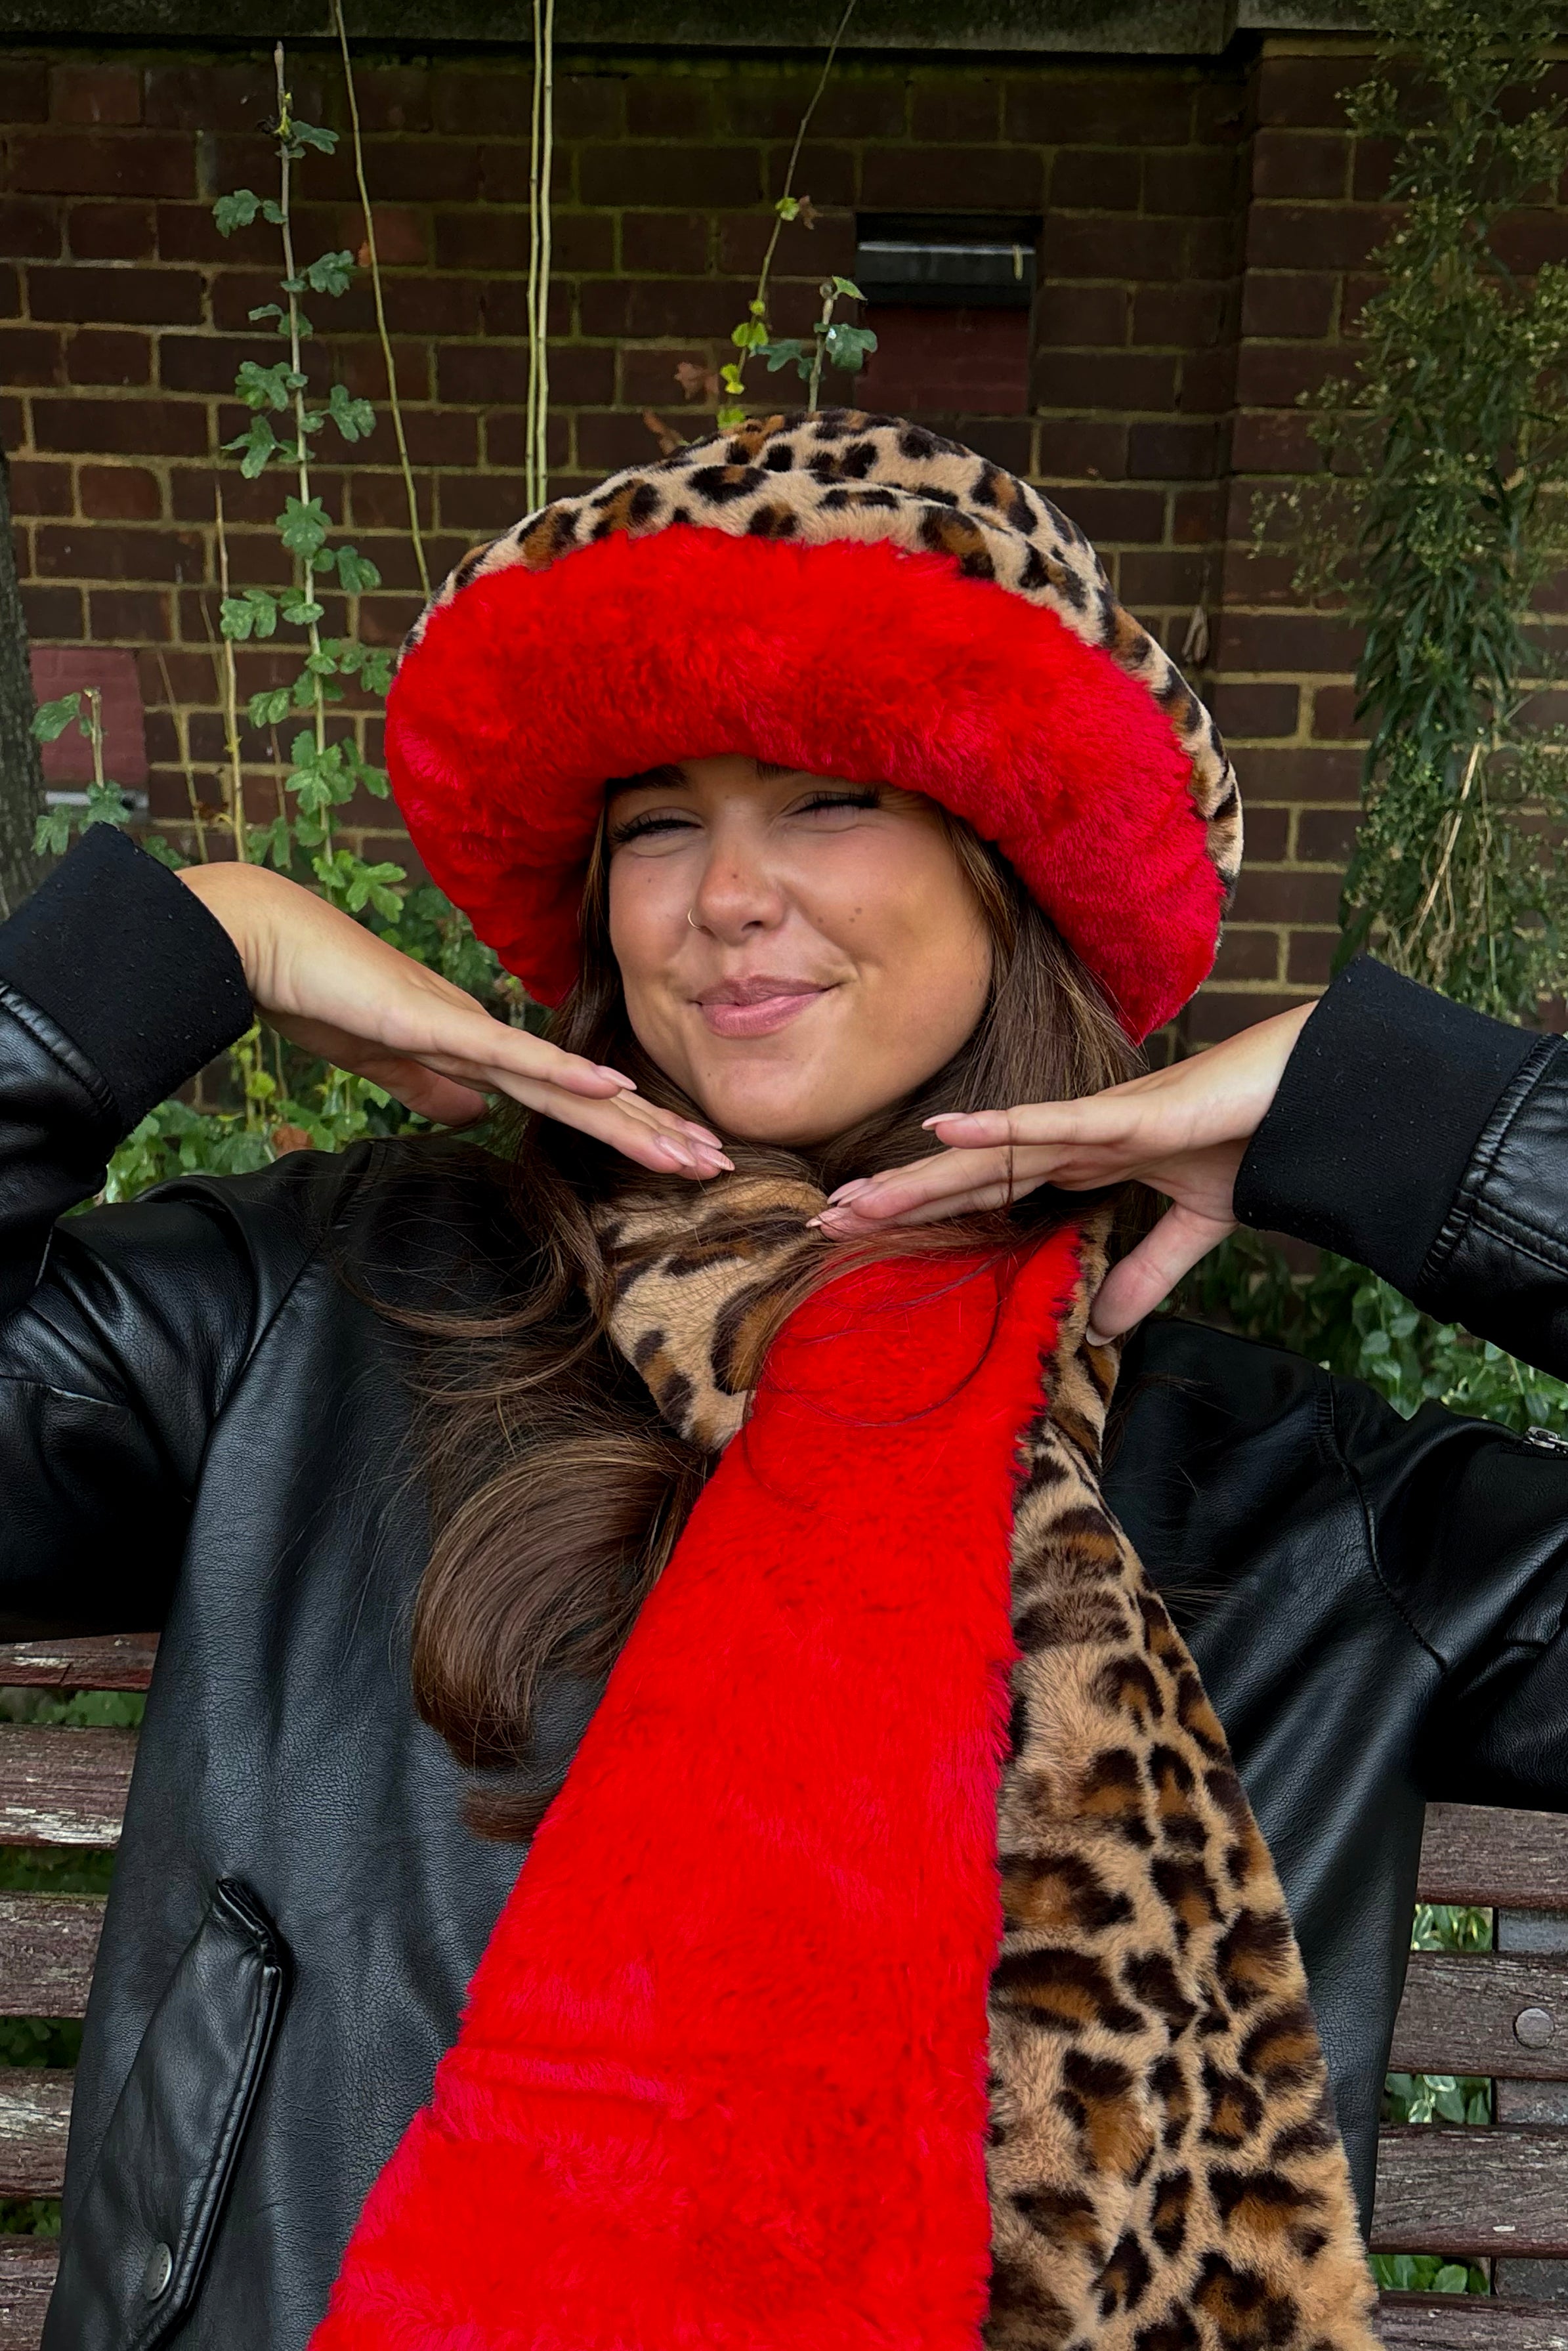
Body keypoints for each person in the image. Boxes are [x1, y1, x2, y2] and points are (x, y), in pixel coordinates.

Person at [7, 411, 1564, 2351]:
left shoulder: (1301, 1502)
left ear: (1008, 868)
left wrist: (1421, 1125)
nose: (725, 896)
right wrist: (179, 943)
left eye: (830, 798)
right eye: (659, 822)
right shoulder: (323, 1310)